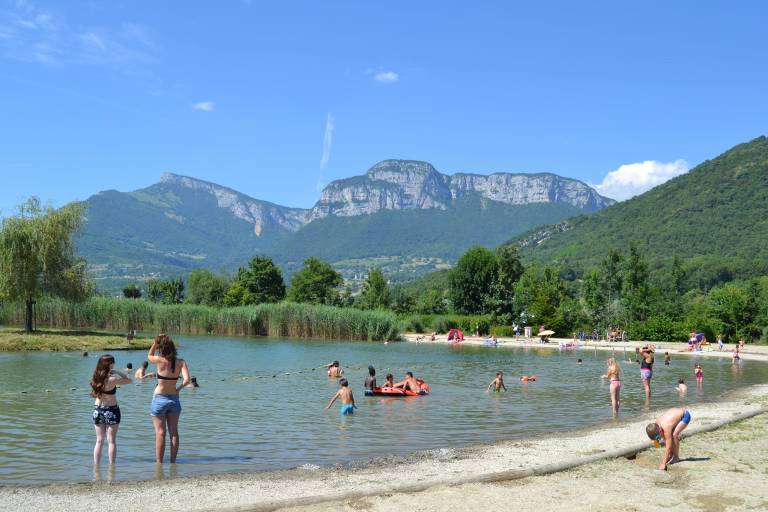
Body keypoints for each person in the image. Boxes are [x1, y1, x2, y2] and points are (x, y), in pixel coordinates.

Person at [148, 334, 191, 464]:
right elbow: (187, 380)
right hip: (174, 399)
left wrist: (155, 342)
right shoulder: (181, 362)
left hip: (159, 398)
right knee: (174, 432)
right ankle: (173, 462)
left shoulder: (160, 360)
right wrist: (178, 389)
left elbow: (149, 355)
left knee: (160, 433)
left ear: (162, 349)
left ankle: (159, 463)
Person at [90, 354, 132, 465]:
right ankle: (112, 468)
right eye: (113, 363)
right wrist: (117, 371)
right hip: (111, 410)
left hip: (98, 410)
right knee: (111, 441)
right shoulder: (112, 379)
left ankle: (96, 467)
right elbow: (129, 380)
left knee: (99, 441)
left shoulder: (95, 377)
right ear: (110, 364)